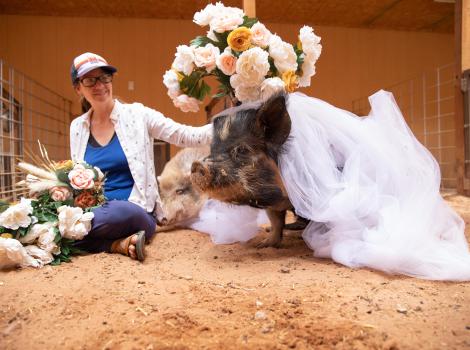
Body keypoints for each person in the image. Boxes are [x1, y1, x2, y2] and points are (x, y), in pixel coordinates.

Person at [69, 52, 212, 261]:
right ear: (78, 87)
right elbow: (77, 176)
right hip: (95, 211)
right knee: (69, 217)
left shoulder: (138, 115)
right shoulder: (77, 127)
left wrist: (229, 122)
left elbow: (185, 135)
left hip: (134, 211)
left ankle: (73, 233)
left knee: (116, 213)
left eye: (104, 78)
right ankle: (116, 244)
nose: (99, 85)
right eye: (90, 80)